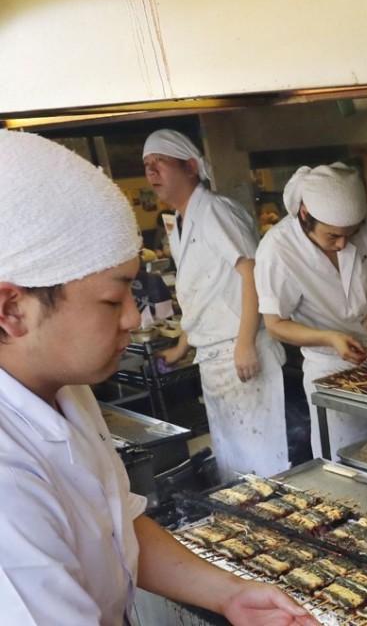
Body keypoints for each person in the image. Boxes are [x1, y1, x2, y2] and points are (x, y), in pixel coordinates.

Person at [0, 129, 315, 625]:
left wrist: (230, 594)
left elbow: (117, 523)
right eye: (112, 299)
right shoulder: (6, 485)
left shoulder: (68, 390)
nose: (132, 317)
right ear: (12, 309)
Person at [142, 129, 290, 481]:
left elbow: (250, 271)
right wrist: (181, 346)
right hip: (215, 357)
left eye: (159, 163)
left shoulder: (214, 211)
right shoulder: (180, 221)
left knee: (261, 459)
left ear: (190, 167)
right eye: (146, 165)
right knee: (234, 458)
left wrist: (244, 344)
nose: (151, 173)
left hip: (240, 352)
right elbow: (201, 293)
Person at [255, 163, 367, 459]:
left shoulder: (365, 220)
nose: (343, 244)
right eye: (332, 236)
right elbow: (275, 325)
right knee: (346, 461)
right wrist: (330, 338)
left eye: (350, 235)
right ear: (305, 215)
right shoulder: (277, 250)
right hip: (330, 368)